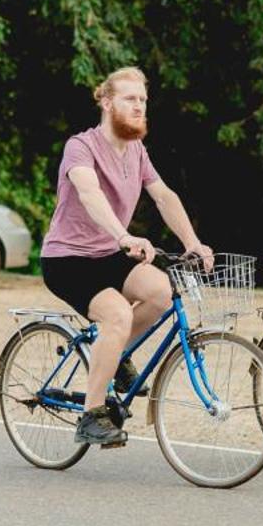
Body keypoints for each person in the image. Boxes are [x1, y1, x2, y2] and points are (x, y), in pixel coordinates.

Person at [40, 66, 214, 447]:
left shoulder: (137, 151)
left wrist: (192, 241)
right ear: (106, 102)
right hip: (68, 258)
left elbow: (164, 196)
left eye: (143, 101)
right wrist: (122, 235)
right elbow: (89, 193)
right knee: (117, 313)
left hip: (109, 253)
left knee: (162, 292)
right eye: (130, 99)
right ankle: (91, 414)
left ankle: (114, 353)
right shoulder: (80, 146)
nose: (139, 108)